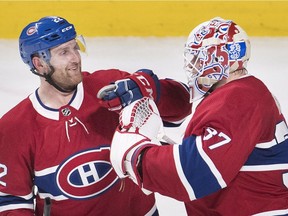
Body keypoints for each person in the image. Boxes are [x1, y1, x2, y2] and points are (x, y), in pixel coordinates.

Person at [0, 16, 192, 215]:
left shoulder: (111, 85)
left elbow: (183, 106)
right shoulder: (14, 128)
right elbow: (11, 202)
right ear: (39, 64)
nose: (75, 57)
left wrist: (151, 89)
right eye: (64, 52)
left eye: (75, 47)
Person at [109, 17, 288, 215]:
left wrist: (137, 156)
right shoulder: (241, 94)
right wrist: (170, 151)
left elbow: (194, 172)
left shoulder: (239, 99)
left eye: (197, 58)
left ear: (218, 59)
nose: (192, 65)